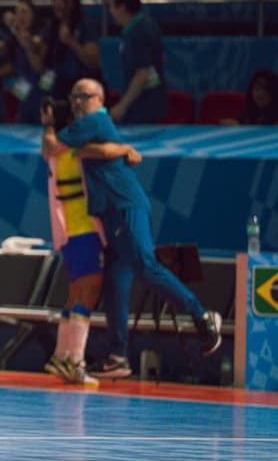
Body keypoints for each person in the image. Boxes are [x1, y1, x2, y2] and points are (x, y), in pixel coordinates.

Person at [43, 78, 222, 378]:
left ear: (100, 100)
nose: (77, 102)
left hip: (125, 205)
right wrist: (110, 149)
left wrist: (49, 124)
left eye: (84, 96)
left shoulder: (95, 120)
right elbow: (93, 152)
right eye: (74, 97)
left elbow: (53, 147)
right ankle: (118, 356)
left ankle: (202, 316)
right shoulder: (92, 128)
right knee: (115, 285)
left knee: (146, 267)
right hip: (110, 216)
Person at [40, 97, 141, 387]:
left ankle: (60, 356)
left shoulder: (55, 149)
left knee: (75, 293)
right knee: (88, 293)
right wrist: (126, 149)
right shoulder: (73, 149)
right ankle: (75, 362)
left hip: (69, 231)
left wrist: (48, 125)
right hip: (84, 229)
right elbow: (106, 150)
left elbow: (49, 143)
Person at [107, 0, 167, 124]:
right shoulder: (148, 25)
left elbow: (142, 73)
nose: (110, 11)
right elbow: (163, 60)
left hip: (142, 108)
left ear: (122, 7)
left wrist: (123, 105)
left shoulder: (137, 31)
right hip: (152, 102)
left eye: (112, 6)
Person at [40, 0, 102, 102]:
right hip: (59, 86)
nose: (58, 3)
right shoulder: (50, 28)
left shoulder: (85, 25)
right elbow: (42, 64)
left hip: (83, 86)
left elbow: (93, 62)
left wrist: (71, 41)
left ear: (73, 2)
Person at [5, 0, 45, 124]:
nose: (20, 16)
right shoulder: (13, 41)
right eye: (17, 13)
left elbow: (38, 67)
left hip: (40, 95)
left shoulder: (40, 37)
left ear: (34, 15)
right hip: (22, 97)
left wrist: (14, 28)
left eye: (24, 12)